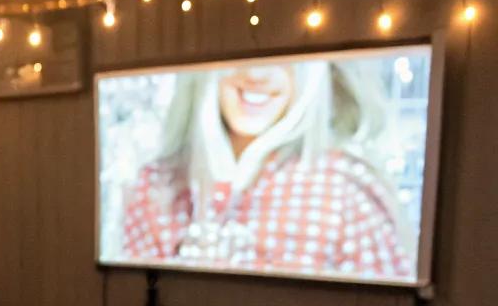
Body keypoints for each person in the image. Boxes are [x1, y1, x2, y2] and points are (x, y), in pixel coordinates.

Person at [120, 59, 414, 279]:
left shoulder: (345, 190)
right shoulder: (158, 185)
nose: (257, 75)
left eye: (281, 62)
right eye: (237, 59)